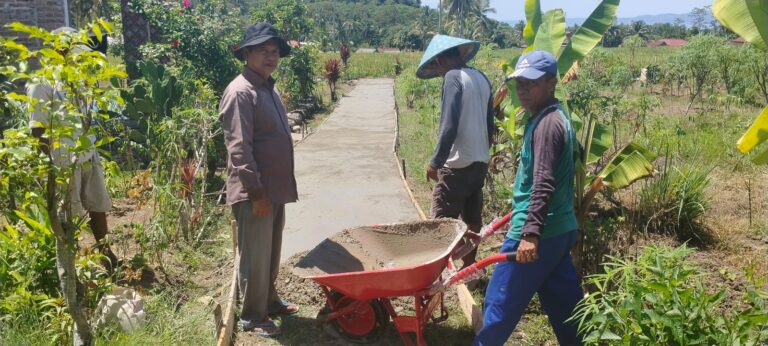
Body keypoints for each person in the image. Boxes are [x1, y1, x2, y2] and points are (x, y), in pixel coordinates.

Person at [474, 50, 583, 346]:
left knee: (499, 304)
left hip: (538, 233)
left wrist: (530, 234)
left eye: (531, 83)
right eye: (519, 83)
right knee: (567, 309)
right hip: (560, 230)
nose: (522, 90)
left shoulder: (547, 125)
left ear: (551, 83)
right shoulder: (556, 116)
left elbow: (544, 182)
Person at [219, 22, 299, 337]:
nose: (271, 57)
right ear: (247, 53)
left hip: (273, 190)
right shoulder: (240, 92)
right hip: (256, 193)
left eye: (275, 51)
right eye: (263, 51)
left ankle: (268, 299)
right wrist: (256, 193)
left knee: (270, 249)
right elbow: (239, 149)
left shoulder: (266, 87)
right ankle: (253, 316)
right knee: (255, 254)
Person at [28, 27, 117, 268]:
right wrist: (50, 169)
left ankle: (106, 253)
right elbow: (37, 131)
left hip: (87, 151)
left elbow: (100, 91)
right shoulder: (42, 83)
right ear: (58, 49)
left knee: (98, 204)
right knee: (70, 215)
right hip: (63, 159)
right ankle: (74, 265)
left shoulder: (78, 79)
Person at [415, 35, 494, 270]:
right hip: (479, 163)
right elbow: (490, 126)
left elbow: (449, 126)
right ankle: (470, 270)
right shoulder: (481, 77)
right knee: (471, 222)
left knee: (441, 223)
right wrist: (480, 151)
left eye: (437, 68)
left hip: (457, 166)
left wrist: (436, 162)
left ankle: (435, 272)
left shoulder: (452, 78)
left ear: (439, 62)